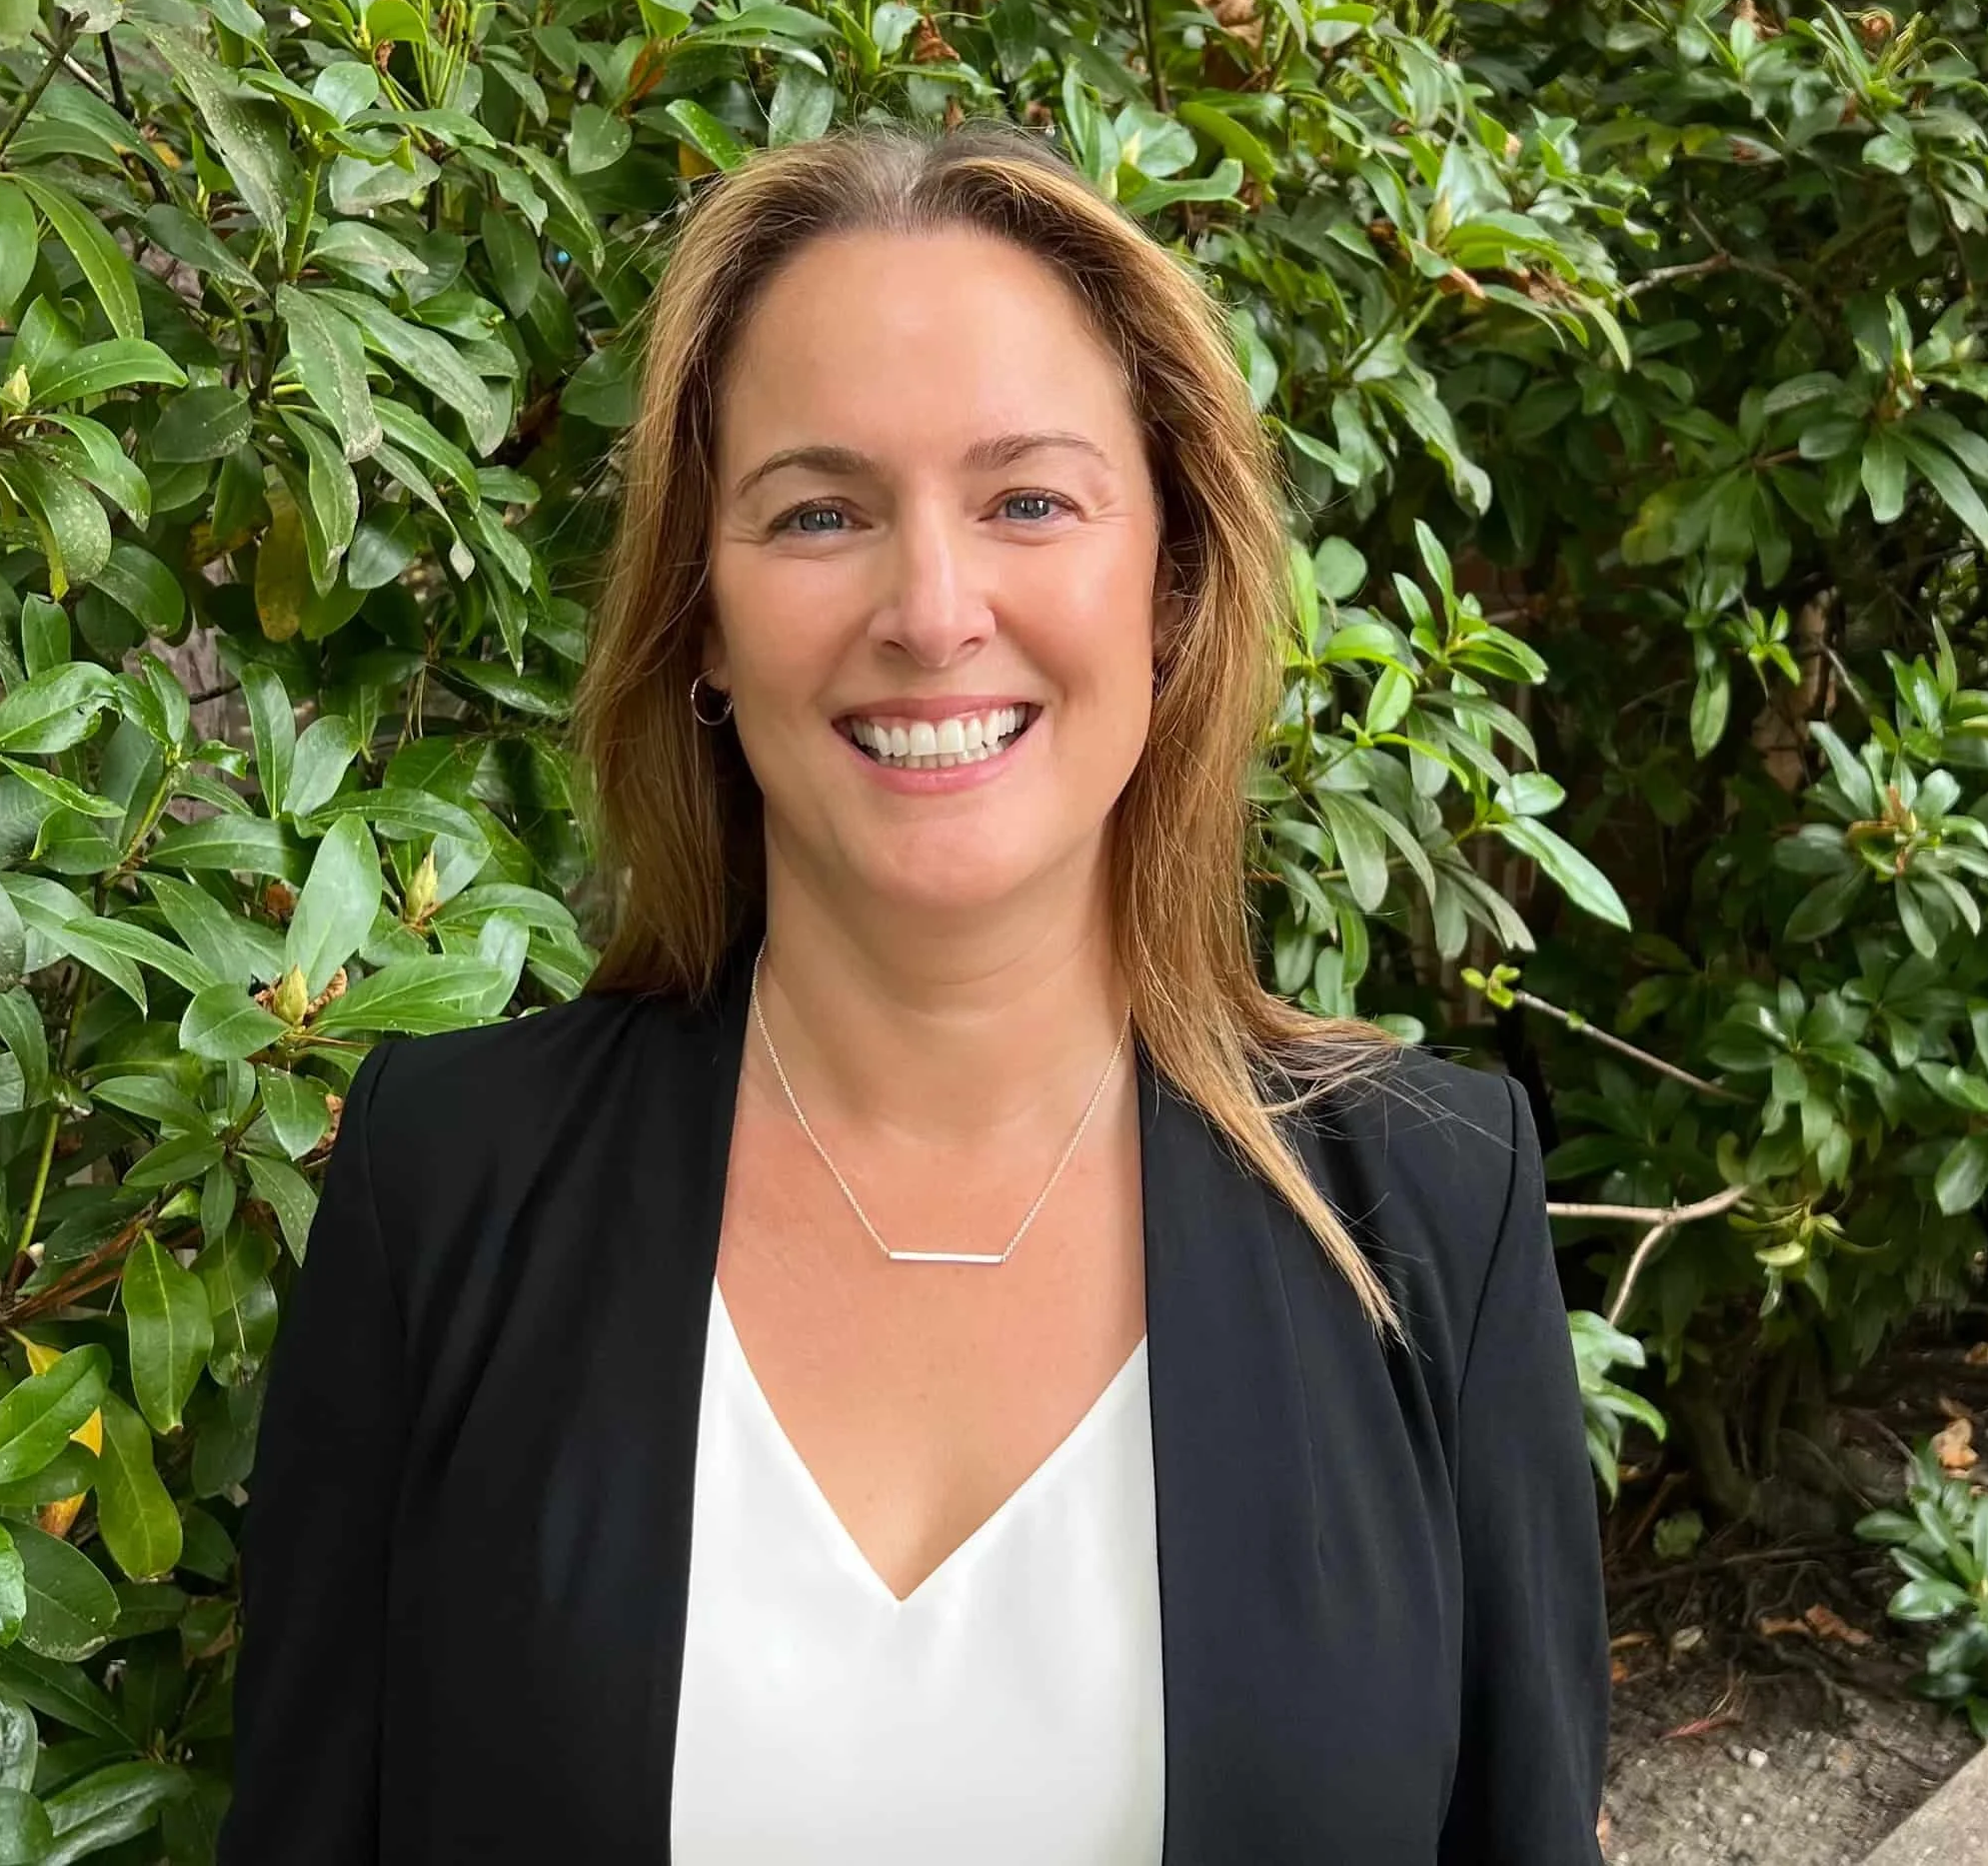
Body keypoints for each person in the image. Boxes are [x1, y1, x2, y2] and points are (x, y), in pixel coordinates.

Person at [217, 119, 1608, 1865]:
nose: (933, 609)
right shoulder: (450, 1181)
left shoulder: (1429, 1204)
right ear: (703, 616)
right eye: (819, 511)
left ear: (1167, 582)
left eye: (1028, 498)